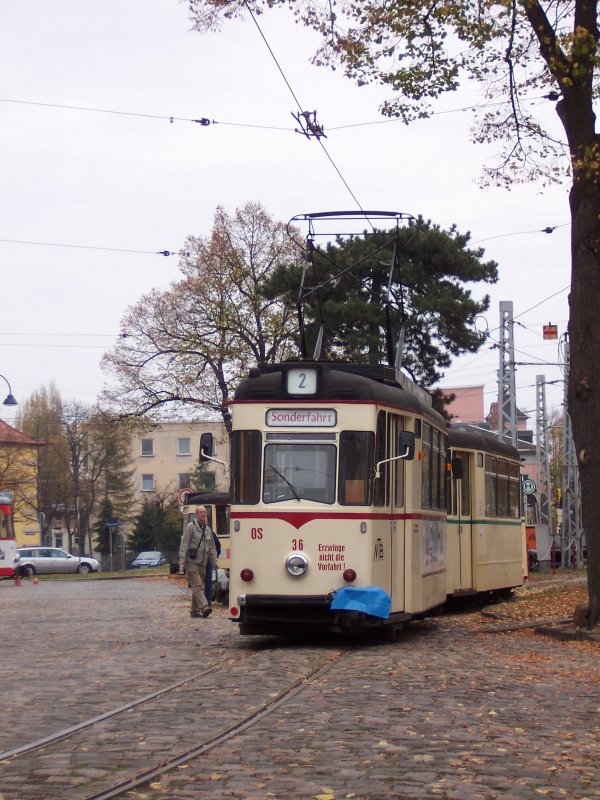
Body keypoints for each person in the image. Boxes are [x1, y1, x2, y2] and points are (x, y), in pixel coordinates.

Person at [178, 506, 218, 618]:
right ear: (196, 514)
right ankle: (204, 607)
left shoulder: (208, 529)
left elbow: (211, 548)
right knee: (197, 585)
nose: (203, 514)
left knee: (198, 586)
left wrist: (214, 561)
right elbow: (184, 544)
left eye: (204, 512)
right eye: (201, 512)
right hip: (191, 561)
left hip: (203, 563)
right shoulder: (190, 527)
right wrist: (182, 560)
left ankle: (194, 611)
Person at [204, 529, 222, 608]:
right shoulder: (193, 530)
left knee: (208, 582)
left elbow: (217, 546)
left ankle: (207, 602)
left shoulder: (211, 533)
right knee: (198, 584)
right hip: (197, 562)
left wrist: (214, 559)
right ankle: (201, 603)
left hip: (208, 562)